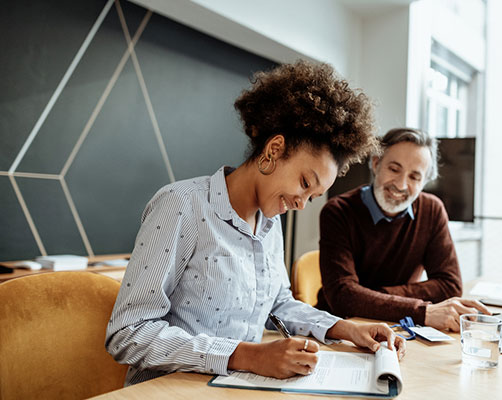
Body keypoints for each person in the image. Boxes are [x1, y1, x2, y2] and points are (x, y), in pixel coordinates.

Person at [105, 61, 406, 386]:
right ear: (274, 149)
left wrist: (344, 328)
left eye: (314, 196)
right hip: (168, 391)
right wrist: (247, 355)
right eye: (305, 183)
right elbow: (128, 333)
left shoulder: (268, 223)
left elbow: (279, 303)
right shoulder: (183, 205)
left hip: (234, 388)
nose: (301, 204)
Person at [316, 127, 489, 331]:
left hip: (400, 327)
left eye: (414, 177)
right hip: (342, 328)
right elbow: (343, 297)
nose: (400, 184)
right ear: (376, 163)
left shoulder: (432, 210)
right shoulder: (338, 212)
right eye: (394, 169)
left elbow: (449, 286)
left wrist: (368, 295)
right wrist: (421, 311)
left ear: (424, 182)